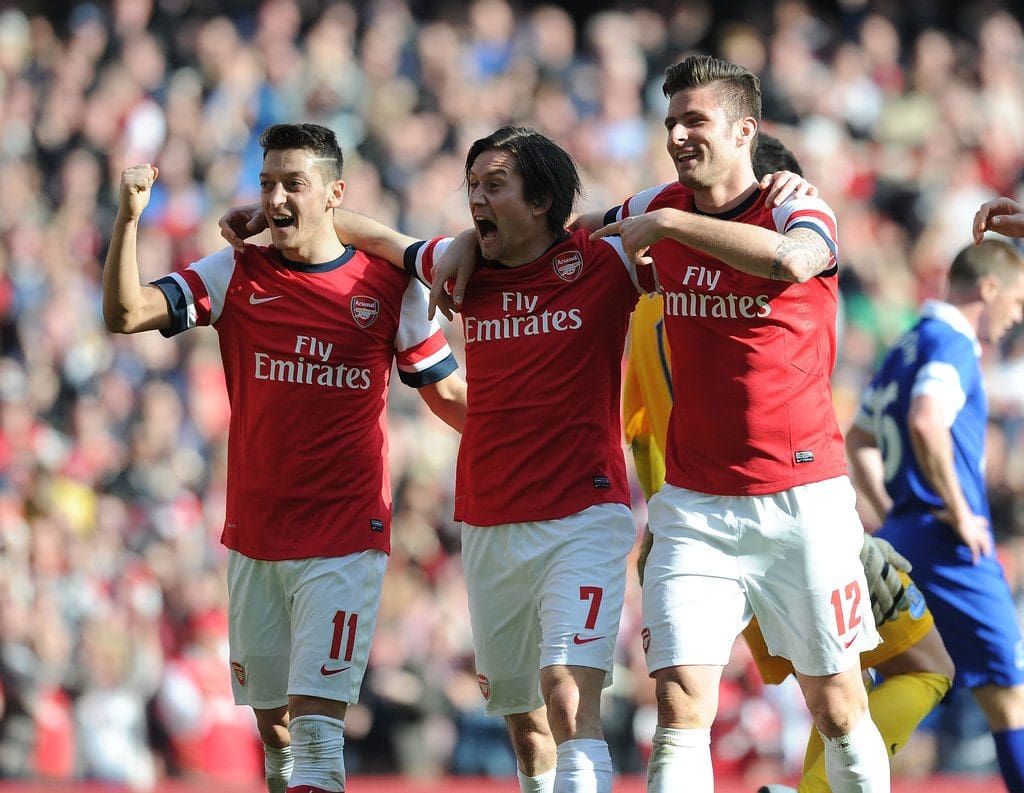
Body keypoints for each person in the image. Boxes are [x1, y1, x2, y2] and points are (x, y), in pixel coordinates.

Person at [222, 125, 654, 793]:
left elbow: (681, 208)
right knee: (525, 721)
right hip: (489, 518)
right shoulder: (461, 268)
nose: (475, 199)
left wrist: (774, 193)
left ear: (542, 199)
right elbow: (371, 238)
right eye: (471, 185)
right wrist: (278, 217)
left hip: (585, 511)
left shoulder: (602, 261)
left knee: (568, 694)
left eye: (494, 186)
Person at [102, 123, 466, 793]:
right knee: (276, 734)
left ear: (334, 193)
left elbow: (446, 393)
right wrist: (127, 218)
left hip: (346, 535)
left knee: (318, 735)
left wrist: (532, 430)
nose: (275, 199)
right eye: (266, 182)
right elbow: (126, 314)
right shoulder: (234, 272)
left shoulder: (389, 284)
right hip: (256, 535)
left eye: (293, 183)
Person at [586, 55, 892, 792]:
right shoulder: (657, 204)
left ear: (743, 130)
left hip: (803, 499)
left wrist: (669, 224)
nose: (677, 136)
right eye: (670, 123)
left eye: (695, 121)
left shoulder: (795, 208)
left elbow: (798, 260)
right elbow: (577, 237)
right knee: (678, 703)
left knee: (838, 706)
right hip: (695, 503)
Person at [623, 133, 954, 793]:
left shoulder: (654, 293)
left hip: (691, 514)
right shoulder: (768, 273)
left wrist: (659, 517)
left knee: (697, 706)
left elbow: (640, 431)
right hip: (789, 493)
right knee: (917, 668)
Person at [845, 237, 1024, 793]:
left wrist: (893, 515)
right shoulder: (953, 342)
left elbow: (859, 438)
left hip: (904, 537)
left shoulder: (908, 342)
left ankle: (821, 784)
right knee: (1009, 695)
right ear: (988, 289)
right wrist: (958, 510)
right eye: (1018, 300)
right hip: (950, 543)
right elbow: (927, 420)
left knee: (916, 674)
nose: (1018, 315)